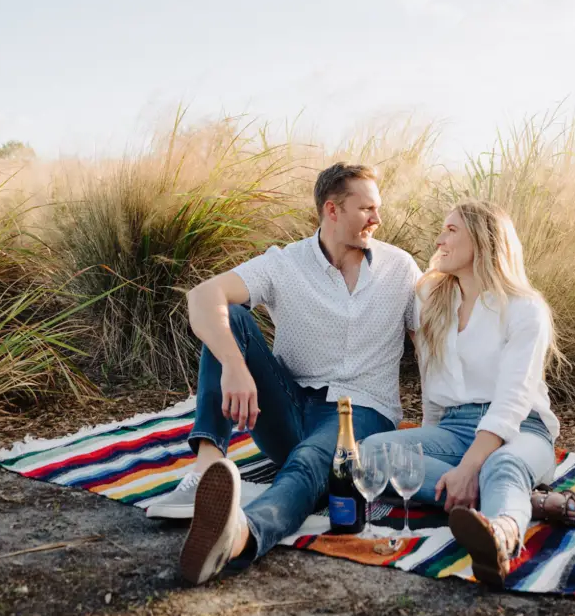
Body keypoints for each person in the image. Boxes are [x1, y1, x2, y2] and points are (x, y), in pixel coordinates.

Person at [149, 163, 422, 585]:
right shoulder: (286, 263)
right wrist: (236, 368)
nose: (377, 219)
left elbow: (432, 340)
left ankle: (239, 534)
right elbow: (203, 297)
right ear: (332, 210)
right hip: (287, 406)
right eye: (366, 209)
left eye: (377, 208)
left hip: (361, 411)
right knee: (231, 317)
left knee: (311, 461)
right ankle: (206, 469)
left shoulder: (400, 269)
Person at [367, 199, 575, 587]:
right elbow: (432, 384)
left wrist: (469, 467)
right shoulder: (432, 301)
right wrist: (429, 439)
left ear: (483, 239)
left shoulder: (525, 308)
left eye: (451, 230)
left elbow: (513, 400)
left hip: (522, 430)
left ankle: (501, 536)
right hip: (456, 428)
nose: (439, 239)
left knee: (502, 466)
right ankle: (517, 500)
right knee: (372, 454)